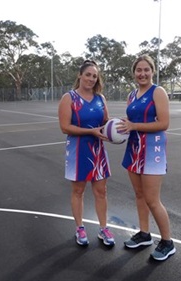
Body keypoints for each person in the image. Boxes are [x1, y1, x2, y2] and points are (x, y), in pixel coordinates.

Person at [117, 55, 176, 261]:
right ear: (134, 73)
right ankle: (144, 234)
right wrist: (122, 126)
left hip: (152, 150)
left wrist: (134, 126)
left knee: (152, 199)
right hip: (134, 149)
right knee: (139, 194)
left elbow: (163, 123)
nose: (142, 73)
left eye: (146, 70)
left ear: (152, 71)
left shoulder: (157, 92)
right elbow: (132, 121)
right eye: (138, 70)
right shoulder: (132, 95)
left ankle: (168, 242)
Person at [58, 59, 115, 247]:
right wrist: (91, 131)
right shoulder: (69, 98)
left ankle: (103, 228)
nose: (91, 79)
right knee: (78, 191)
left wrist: (116, 128)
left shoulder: (100, 99)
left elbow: (106, 122)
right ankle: (80, 228)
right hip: (78, 151)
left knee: (101, 191)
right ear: (80, 75)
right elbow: (65, 127)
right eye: (88, 74)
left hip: (98, 151)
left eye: (94, 76)